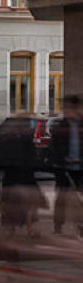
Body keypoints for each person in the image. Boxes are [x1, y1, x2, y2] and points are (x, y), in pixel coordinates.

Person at [50, 95, 83, 236]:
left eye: (69, 107)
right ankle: (58, 226)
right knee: (61, 198)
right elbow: (53, 148)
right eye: (65, 107)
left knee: (80, 199)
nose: (66, 110)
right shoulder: (60, 126)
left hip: (81, 168)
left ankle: (81, 225)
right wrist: (63, 159)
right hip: (64, 169)